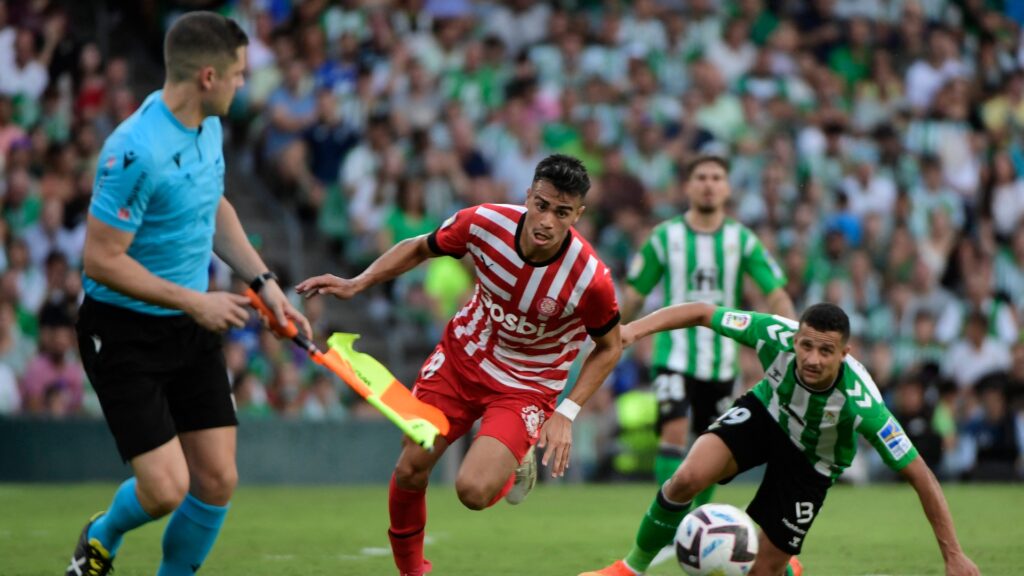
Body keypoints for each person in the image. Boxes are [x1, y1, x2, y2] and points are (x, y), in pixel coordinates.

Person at [66, 12, 310, 576]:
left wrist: (264, 283)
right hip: (124, 331)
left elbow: (213, 207)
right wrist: (196, 301)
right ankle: (100, 539)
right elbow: (101, 261)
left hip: (188, 326)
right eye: (239, 74)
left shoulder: (209, 125)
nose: (243, 85)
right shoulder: (134, 150)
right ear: (208, 76)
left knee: (219, 478)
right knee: (166, 489)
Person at [298, 154, 622, 576]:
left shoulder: (589, 279)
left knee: (472, 491)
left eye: (561, 213)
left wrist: (567, 411)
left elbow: (610, 347)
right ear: (528, 195)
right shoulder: (485, 223)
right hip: (461, 358)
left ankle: (514, 463)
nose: (546, 221)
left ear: (577, 215)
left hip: (526, 385)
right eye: (541, 205)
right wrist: (359, 281)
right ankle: (413, 572)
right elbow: (419, 246)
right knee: (412, 467)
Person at [580, 302, 980, 576]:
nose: (812, 359)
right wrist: (631, 331)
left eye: (826, 351)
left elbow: (921, 476)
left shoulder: (864, 405)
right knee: (685, 478)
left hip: (813, 463)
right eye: (806, 346)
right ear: (796, 340)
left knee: (765, 571)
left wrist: (954, 554)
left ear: (844, 353)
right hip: (766, 415)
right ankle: (629, 567)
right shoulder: (774, 333)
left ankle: (785, 563)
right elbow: (702, 312)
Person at [621, 155, 794, 500]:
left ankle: (698, 521)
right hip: (674, 354)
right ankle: (669, 518)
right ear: (687, 186)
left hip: (721, 361)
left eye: (717, 177)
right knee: (673, 429)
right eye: (701, 176)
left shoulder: (741, 240)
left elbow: (775, 294)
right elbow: (634, 295)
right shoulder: (664, 237)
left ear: (727, 188)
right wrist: (617, 333)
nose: (709, 184)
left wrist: (793, 335)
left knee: (711, 446)